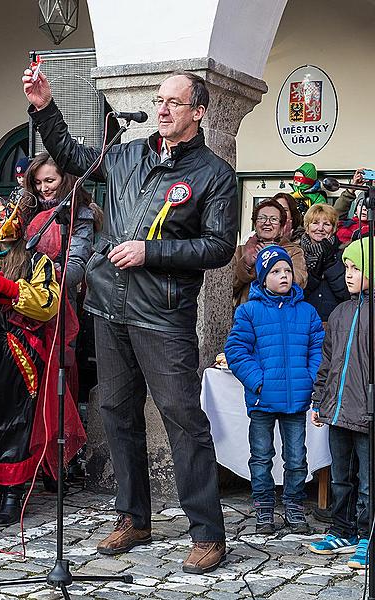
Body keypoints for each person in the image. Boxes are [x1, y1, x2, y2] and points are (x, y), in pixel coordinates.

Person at [23, 67, 238, 573]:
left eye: (174, 103)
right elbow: (74, 157)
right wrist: (44, 105)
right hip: (108, 306)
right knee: (118, 414)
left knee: (185, 421)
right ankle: (132, 517)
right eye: (159, 101)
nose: (161, 109)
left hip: (162, 316)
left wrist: (151, 251)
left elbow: (220, 246)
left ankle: (207, 532)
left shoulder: (213, 174)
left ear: (198, 113)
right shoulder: (125, 154)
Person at [225, 245, 324, 534]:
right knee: (261, 457)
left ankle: (293, 507)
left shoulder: (307, 312)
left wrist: (308, 379)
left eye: (287, 271)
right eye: (276, 271)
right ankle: (264, 509)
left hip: (296, 400)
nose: (284, 275)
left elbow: (318, 350)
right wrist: (258, 381)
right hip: (262, 400)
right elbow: (236, 350)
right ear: (262, 278)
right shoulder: (249, 311)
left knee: (296, 459)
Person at [0, 198, 60, 526]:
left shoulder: (37, 260)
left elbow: (48, 304)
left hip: (21, 350)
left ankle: (12, 493)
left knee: (17, 420)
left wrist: (14, 291)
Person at [309, 237, 371, 570]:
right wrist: (321, 399)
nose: (348, 274)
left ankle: (367, 534)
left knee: (368, 479)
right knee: (340, 477)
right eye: (346, 267)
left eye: (357, 267)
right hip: (338, 410)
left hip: (366, 412)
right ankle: (342, 529)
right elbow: (328, 361)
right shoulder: (340, 311)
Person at [23, 152, 103, 308]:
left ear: (65, 179)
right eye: (37, 182)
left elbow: (75, 268)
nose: (43, 188)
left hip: (59, 302)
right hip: (21, 300)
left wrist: (36, 272)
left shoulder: (80, 215)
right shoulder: (26, 209)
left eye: (49, 181)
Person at [233, 198, 307, 306]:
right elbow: (226, 288)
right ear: (255, 224)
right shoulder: (241, 251)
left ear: (282, 226)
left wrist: (270, 261)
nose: (267, 223)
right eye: (261, 218)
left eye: (273, 219)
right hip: (248, 315)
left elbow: (299, 282)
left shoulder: (293, 251)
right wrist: (246, 264)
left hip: (282, 312)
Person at [301, 204, 350, 322]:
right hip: (304, 322)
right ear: (307, 228)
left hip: (336, 322)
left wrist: (331, 265)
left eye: (326, 224)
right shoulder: (297, 253)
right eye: (315, 223)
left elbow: (347, 295)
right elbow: (293, 293)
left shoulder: (344, 254)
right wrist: (314, 277)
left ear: (333, 229)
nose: (320, 228)